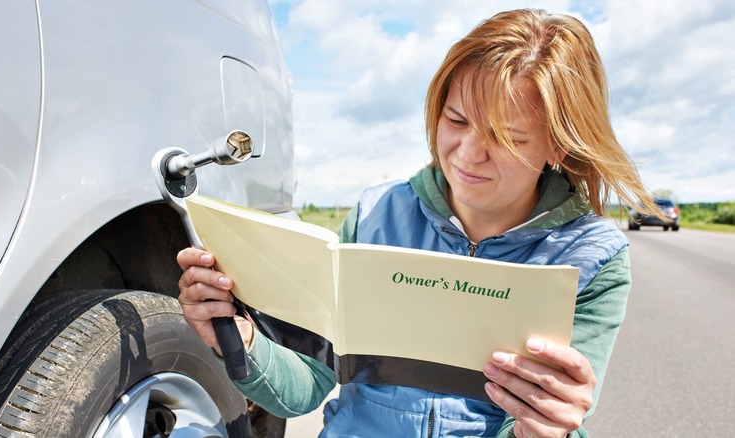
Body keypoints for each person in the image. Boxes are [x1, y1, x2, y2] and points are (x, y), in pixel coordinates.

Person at [177, 8, 662, 437]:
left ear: (559, 144)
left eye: (508, 138)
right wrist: (239, 338)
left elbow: (549, 420)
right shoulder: (374, 216)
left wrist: (548, 429)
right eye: (456, 120)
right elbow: (304, 388)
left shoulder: (591, 262)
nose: (468, 155)